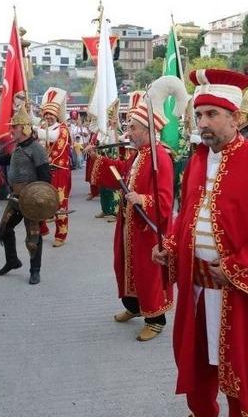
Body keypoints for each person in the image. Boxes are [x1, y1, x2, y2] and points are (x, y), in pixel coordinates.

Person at [152, 69, 248, 417]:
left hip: (237, 291)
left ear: (236, 117)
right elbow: (187, 217)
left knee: (240, 370)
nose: (203, 122)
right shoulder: (197, 162)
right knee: (199, 363)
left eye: (212, 114)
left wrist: (235, 269)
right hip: (196, 288)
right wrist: (170, 246)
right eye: (199, 114)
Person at [87, 91, 174, 342]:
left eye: (133, 128)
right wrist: (99, 160)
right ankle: (134, 306)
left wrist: (143, 199)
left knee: (148, 272)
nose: (128, 133)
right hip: (129, 225)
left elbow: (166, 200)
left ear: (147, 130)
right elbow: (123, 173)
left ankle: (156, 319)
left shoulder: (161, 159)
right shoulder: (139, 155)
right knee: (125, 265)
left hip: (147, 229)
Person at [0, 105, 52, 285]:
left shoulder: (36, 149)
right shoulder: (18, 147)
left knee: (33, 237)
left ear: (24, 127)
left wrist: (43, 201)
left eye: (14, 127)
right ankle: (12, 261)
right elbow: (9, 160)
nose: (11, 130)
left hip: (32, 199)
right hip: (15, 198)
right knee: (4, 229)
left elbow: (46, 176)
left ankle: (35, 270)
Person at [35, 88, 72, 247]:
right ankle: (42, 229)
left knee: (59, 203)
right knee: (42, 200)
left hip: (59, 171)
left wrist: (35, 130)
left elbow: (53, 137)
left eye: (51, 114)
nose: (48, 117)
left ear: (56, 115)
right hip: (44, 170)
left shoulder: (62, 129)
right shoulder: (44, 128)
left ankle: (61, 235)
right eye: (46, 114)